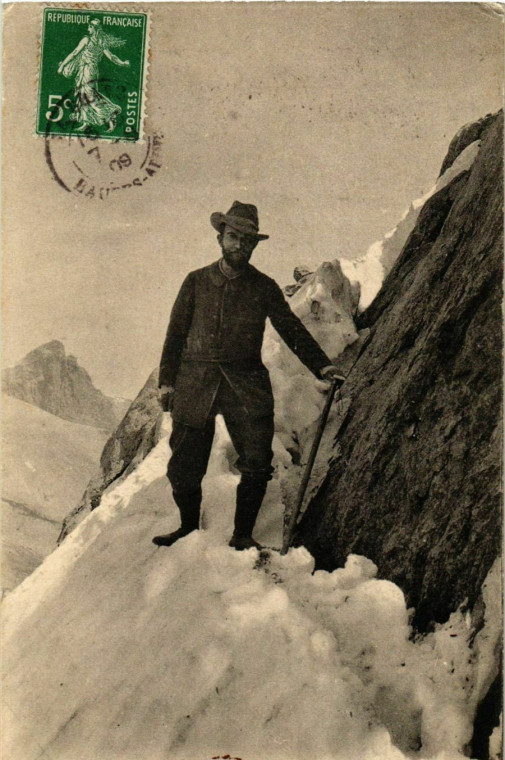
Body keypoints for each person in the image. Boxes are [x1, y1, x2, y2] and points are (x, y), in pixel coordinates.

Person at [153, 202, 344, 551]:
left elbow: (291, 329)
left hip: (246, 385)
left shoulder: (264, 287)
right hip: (195, 384)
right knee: (183, 467)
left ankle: (242, 535)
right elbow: (175, 335)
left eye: (247, 241)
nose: (239, 246)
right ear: (220, 238)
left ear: (255, 245)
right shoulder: (195, 282)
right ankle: (185, 529)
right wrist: (167, 381)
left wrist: (323, 366)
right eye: (233, 238)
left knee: (256, 464)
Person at [57, 19, 130, 132]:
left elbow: (74, 52)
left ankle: (110, 116)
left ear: (93, 28)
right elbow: (112, 57)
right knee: (83, 96)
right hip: (91, 70)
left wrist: (62, 66)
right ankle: (86, 122)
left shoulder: (87, 39)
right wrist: (122, 63)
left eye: (90, 27)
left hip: (87, 70)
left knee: (90, 97)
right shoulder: (101, 42)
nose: (88, 29)